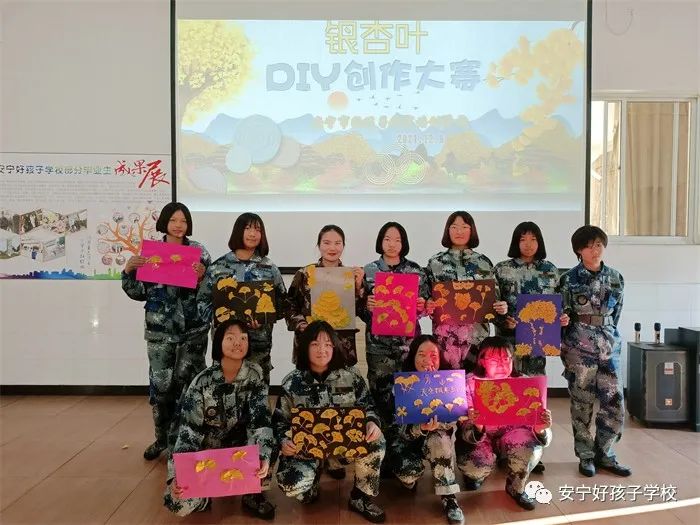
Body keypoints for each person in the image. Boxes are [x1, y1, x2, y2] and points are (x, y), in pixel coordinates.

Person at [122, 202, 210, 460]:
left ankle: (186, 444)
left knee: (191, 390)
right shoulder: (151, 253)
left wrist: (204, 277)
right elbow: (138, 292)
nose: (178, 225)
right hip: (160, 335)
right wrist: (128, 271)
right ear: (164, 222)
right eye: (173, 220)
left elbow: (212, 291)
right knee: (161, 391)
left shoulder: (199, 252)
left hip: (193, 334)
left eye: (183, 220)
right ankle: (162, 439)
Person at [274, 321, 387, 524]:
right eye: (315, 344)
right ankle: (313, 480)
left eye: (327, 344)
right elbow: (280, 422)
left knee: (376, 442)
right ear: (304, 347)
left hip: (344, 448)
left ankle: (361, 496)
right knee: (293, 485)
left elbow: (368, 406)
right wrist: (284, 441)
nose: (322, 350)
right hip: (306, 451)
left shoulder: (351, 376)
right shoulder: (291, 383)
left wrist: (372, 422)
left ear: (335, 347)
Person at [164, 320, 276, 520]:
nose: (238, 343)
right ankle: (205, 495)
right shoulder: (202, 382)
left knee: (269, 443)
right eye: (230, 338)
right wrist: (178, 474)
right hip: (209, 454)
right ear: (218, 343)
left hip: (242, 451)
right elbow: (189, 432)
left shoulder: (255, 375)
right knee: (178, 503)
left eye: (243, 338)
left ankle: (252, 493)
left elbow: (260, 421)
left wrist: (264, 455)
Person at [493, 222, 568, 474]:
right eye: (523, 239)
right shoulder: (501, 269)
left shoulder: (550, 271)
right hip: (508, 344)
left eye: (533, 239)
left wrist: (562, 319)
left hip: (536, 343)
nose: (528, 244)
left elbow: (560, 306)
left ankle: (532, 450)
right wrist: (504, 319)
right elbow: (493, 306)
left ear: (540, 242)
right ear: (516, 241)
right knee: (506, 394)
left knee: (533, 395)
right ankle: (504, 449)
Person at [558, 225, 630, 478]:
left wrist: (607, 335)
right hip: (579, 348)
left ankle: (606, 453)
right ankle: (586, 455)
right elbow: (562, 315)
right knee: (582, 403)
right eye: (588, 246)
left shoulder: (616, 277)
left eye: (598, 244)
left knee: (614, 403)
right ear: (579, 250)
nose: (595, 250)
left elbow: (616, 314)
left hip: (609, 347)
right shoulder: (568, 279)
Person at [360, 221, 429, 474]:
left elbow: (427, 306)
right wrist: (366, 305)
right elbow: (359, 309)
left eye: (397, 240)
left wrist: (422, 305)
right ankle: (384, 451)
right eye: (387, 239)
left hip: (408, 346)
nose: (392, 244)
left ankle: (409, 448)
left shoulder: (416, 271)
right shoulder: (368, 271)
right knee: (381, 396)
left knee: (409, 396)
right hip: (378, 346)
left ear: (404, 243)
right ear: (380, 241)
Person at [456, 337, 553, 511]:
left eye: (506, 359)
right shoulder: (468, 383)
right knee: (474, 468)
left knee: (530, 446)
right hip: (482, 437)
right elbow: (462, 431)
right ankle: (476, 475)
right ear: (482, 361)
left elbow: (540, 433)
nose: (501, 365)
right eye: (494, 360)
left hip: (512, 435)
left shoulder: (525, 383)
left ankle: (516, 486)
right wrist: (477, 426)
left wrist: (540, 429)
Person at [197, 213, 287, 385]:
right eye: (248, 228)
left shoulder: (270, 268)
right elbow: (202, 302)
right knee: (224, 390)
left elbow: (282, 304)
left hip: (258, 345)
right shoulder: (218, 267)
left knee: (257, 390)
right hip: (226, 345)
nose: (253, 234)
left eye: (258, 230)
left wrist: (264, 318)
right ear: (238, 231)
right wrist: (220, 320)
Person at [392, 335, 464, 525]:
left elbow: (452, 422)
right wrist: (420, 428)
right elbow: (398, 429)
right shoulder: (401, 383)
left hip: (436, 439)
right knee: (407, 475)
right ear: (413, 357)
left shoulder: (449, 383)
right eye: (421, 355)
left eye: (433, 355)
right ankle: (410, 478)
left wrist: (433, 382)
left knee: (440, 440)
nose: (427, 360)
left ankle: (449, 497)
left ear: (440, 358)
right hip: (408, 442)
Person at [425, 211, 508, 371]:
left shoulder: (483, 262)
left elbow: (494, 300)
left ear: (472, 230)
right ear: (448, 230)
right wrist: (428, 303)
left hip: (476, 340)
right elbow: (426, 297)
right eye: (454, 227)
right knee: (447, 383)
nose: (459, 231)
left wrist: (501, 307)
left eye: (464, 227)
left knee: (476, 381)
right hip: (445, 340)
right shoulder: (436, 263)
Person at [286, 224, 364, 367]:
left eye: (337, 243)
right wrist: (301, 324)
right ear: (319, 245)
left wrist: (358, 287)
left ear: (343, 246)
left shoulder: (351, 276)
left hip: (342, 345)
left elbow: (361, 311)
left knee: (342, 380)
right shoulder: (305, 274)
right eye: (327, 243)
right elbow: (289, 305)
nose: (332, 248)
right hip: (311, 342)